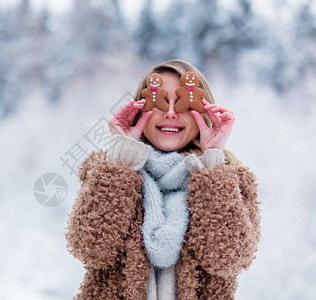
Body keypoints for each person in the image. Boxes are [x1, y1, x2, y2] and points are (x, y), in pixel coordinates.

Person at [65, 59, 261, 300]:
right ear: (140, 110)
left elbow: (228, 259)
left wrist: (212, 164)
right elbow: (91, 248)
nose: (170, 112)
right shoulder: (108, 171)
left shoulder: (230, 180)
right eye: (158, 101)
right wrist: (123, 156)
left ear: (203, 111)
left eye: (182, 103)